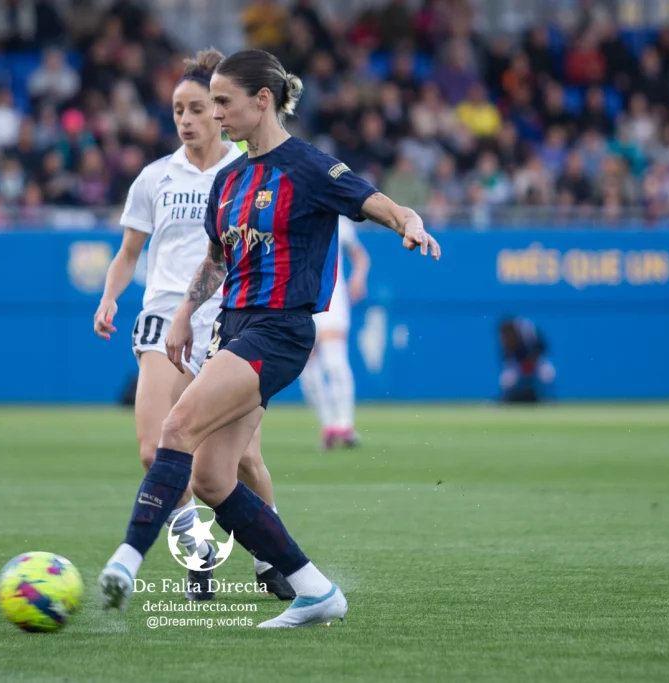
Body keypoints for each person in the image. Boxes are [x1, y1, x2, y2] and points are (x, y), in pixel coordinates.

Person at [98, 48, 440, 627]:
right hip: (232, 326)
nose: (216, 114)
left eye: (224, 103)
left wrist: (408, 221)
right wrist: (184, 312)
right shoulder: (229, 179)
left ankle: (126, 560)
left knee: (174, 428)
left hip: (279, 330)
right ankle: (315, 590)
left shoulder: (306, 166)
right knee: (210, 478)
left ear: (263, 101)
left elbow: (373, 201)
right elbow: (215, 259)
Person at [93, 49, 294, 602]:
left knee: (241, 461)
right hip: (163, 318)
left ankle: (270, 557)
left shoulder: (247, 171)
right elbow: (129, 251)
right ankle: (198, 553)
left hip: (230, 323)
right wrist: (110, 297)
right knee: (154, 449)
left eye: (197, 108)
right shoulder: (154, 177)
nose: (185, 119)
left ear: (220, 111)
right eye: (177, 108)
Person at [299, 216, 371, 448]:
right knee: (308, 368)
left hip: (332, 299)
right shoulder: (293, 211)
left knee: (334, 362)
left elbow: (360, 256)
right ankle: (328, 424)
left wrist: (358, 279)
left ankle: (345, 424)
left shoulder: (338, 219)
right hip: (300, 300)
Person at [498, 317, 555, 402]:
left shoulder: (526, 329)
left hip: (536, 362)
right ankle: (505, 401)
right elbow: (507, 359)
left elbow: (542, 347)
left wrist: (530, 361)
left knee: (547, 374)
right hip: (518, 364)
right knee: (507, 379)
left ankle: (548, 401)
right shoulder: (504, 335)